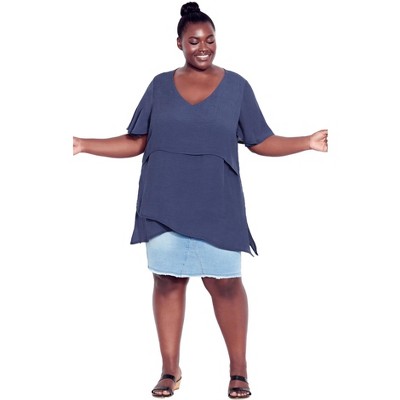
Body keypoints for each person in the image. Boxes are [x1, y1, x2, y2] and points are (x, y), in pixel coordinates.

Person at [73, 2, 328, 398]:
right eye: (194, 41)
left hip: (217, 203)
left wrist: (307, 142)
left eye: (210, 39)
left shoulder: (237, 86)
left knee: (225, 285)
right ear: (179, 43)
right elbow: (137, 141)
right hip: (163, 200)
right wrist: (82, 144)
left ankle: (239, 370)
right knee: (167, 282)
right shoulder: (159, 86)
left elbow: (260, 140)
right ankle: (170, 370)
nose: (203, 47)